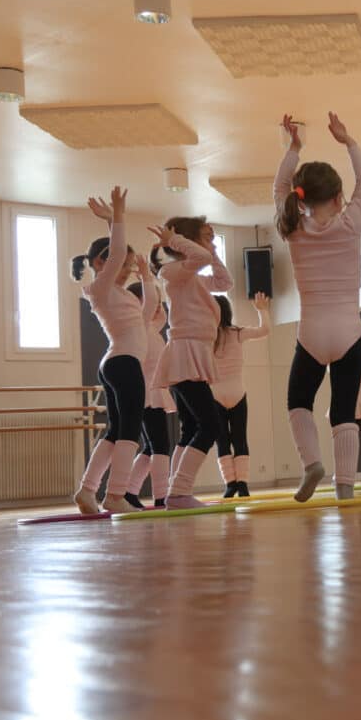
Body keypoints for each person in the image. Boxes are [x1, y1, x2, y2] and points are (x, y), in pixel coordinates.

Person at [275, 111, 361, 500]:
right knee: (344, 410)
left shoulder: (293, 229)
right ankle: (344, 486)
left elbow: (279, 187)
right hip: (348, 332)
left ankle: (312, 464)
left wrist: (293, 149)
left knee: (298, 402)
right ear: (338, 198)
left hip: (312, 333)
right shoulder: (350, 224)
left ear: (298, 199)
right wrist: (349, 141)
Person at [70, 186, 146, 514]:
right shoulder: (100, 286)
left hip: (119, 362)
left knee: (116, 432)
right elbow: (115, 255)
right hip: (123, 362)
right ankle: (115, 495)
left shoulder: (119, 292)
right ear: (99, 263)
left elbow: (114, 255)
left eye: (129, 265)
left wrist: (112, 222)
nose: (126, 269)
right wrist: (116, 217)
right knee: (130, 430)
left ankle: (87, 491)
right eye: (122, 264)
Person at [147, 214, 232, 507]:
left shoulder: (191, 277)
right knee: (210, 426)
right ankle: (179, 492)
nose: (210, 244)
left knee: (193, 427)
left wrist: (214, 251)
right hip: (185, 354)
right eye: (206, 237)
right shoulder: (173, 272)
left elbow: (225, 282)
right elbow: (200, 256)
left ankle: (176, 491)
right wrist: (175, 240)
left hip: (193, 353)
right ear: (186, 241)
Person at [119, 258, 173, 509]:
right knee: (160, 446)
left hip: (152, 393)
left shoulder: (149, 328)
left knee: (152, 447)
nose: (158, 305)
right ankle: (161, 496)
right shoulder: (138, 326)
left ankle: (129, 491)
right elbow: (151, 308)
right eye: (153, 300)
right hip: (148, 395)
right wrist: (146, 279)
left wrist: (158, 299)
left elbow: (160, 317)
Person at [211, 293, 270, 498]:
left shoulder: (208, 336)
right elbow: (265, 330)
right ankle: (240, 484)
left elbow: (264, 331)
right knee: (239, 440)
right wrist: (262, 310)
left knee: (223, 442)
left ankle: (232, 484)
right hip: (235, 393)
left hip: (216, 395)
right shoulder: (236, 333)